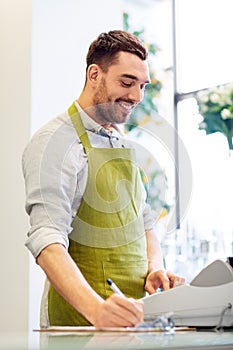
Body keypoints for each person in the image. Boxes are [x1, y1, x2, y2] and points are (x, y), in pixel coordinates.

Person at [22, 30, 185, 328]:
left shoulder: (120, 142)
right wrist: (97, 311)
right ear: (94, 74)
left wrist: (154, 267)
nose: (136, 96)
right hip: (80, 324)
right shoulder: (54, 142)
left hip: (133, 320)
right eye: (126, 83)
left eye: (142, 86)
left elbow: (145, 221)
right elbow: (47, 239)